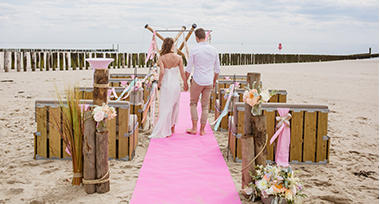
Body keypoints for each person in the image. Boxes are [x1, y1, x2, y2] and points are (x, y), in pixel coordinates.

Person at [149, 37, 188, 139]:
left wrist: (159, 83)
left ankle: (166, 129)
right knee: (175, 105)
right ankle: (172, 127)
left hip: (166, 85)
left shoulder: (161, 58)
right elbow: (182, 73)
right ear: (172, 45)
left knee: (166, 106)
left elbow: (162, 72)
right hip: (175, 85)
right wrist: (185, 83)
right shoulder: (179, 58)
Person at [185, 28, 220, 136]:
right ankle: (202, 130)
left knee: (193, 103)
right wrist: (213, 82)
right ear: (205, 36)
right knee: (205, 106)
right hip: (208, 81)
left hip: (197, 80)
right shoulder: (214, 50)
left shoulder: (194, 50)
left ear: (196, 37)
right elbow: (217, 70)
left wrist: (185, 82)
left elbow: (188, 68)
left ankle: (194, 128)